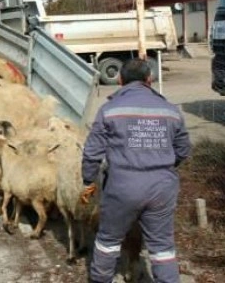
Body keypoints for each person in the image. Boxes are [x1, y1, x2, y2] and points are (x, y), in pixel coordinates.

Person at [81, 58, 191, 283]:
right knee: (162, 248)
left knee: (108, 241)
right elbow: (183, 150)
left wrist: (88, 181)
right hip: (162, 189)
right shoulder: (171, 110)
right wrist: (161, 168)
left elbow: (92, 152)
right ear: (149, 80)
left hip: (122, 188)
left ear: (120, 80)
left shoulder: (109, 110)